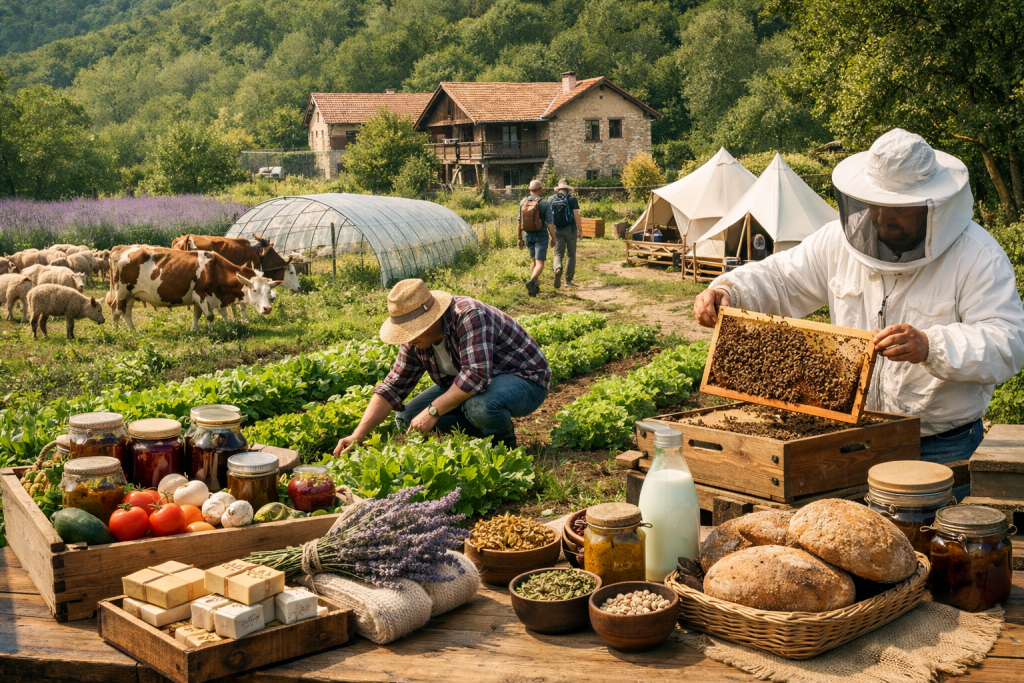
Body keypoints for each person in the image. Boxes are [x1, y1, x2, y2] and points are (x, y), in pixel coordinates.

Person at [694, 129, 1024, 494]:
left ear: (934, 205)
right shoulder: (838, 240)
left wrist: (932, 345)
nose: (882, 216)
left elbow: (1006, 342)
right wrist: (730, 290)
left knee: (936, 547)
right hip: (851, 438)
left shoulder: (977, 255)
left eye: (898, 207)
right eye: (874, 203)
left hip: (940, 446)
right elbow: (782, 278)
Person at [333, 279, 551, 453]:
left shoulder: (469, 315)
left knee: (478, 406)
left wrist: (433, 410)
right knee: (406, 417)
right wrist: (358, 434)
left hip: (524, 378)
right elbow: (392, 387)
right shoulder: (415, 341)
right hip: (473, 384)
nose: (407, 339)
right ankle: (479, 436)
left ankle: (504, 449)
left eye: (412, 330)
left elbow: (476, 376)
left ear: (430, 320)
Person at [517, 180, 555, 297]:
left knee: (533, 260)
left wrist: (519, 238)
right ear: (541, 189)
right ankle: (532, 281)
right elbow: (549, 223)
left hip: (527, 234)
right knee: (540, 262)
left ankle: (535, 287)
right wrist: (553, 238)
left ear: (530, 189)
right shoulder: (544, 203)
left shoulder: (523, 201)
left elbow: (519, 222)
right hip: (541, 234)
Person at [547, 179, 582, 288]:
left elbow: (548, 216)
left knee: (558, 253)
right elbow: (576, 215)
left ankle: (557, 268)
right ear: (568, 189)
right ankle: (568, 280)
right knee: (571, 254)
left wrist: (549, 231)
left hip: (556, 229)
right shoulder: (572, 199)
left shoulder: (550, 199)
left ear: (558, 189)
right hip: (570, 229)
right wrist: (580, 229)